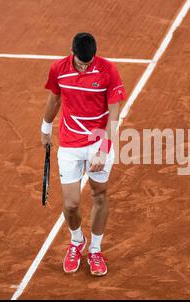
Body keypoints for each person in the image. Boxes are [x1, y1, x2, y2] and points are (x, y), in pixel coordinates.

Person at [40, 32, 126, 276]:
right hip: (70, 143)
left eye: (88, 63)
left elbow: (114, 115)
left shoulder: (108, 70)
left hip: (98, 141)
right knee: (71, 204)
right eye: (80, 62)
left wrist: (103, 149)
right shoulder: (58, 68)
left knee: (99, 194)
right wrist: (45, 127)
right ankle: (77, 241)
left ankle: (96, 249)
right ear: (72, 51)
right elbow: (54, 99)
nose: (84, 66)